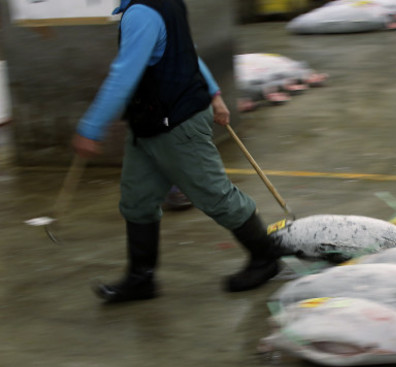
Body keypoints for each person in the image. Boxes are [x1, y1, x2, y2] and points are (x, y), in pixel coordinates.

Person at [72, 0, 280, 302]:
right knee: (137, 199)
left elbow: (124, 75)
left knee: (214, 194)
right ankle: (140, 279)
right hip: (149, 122)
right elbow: (188, 50)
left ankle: (265, 258)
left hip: (176, 124)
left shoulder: (141, 14)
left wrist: (91, 127)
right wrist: (214, 93)